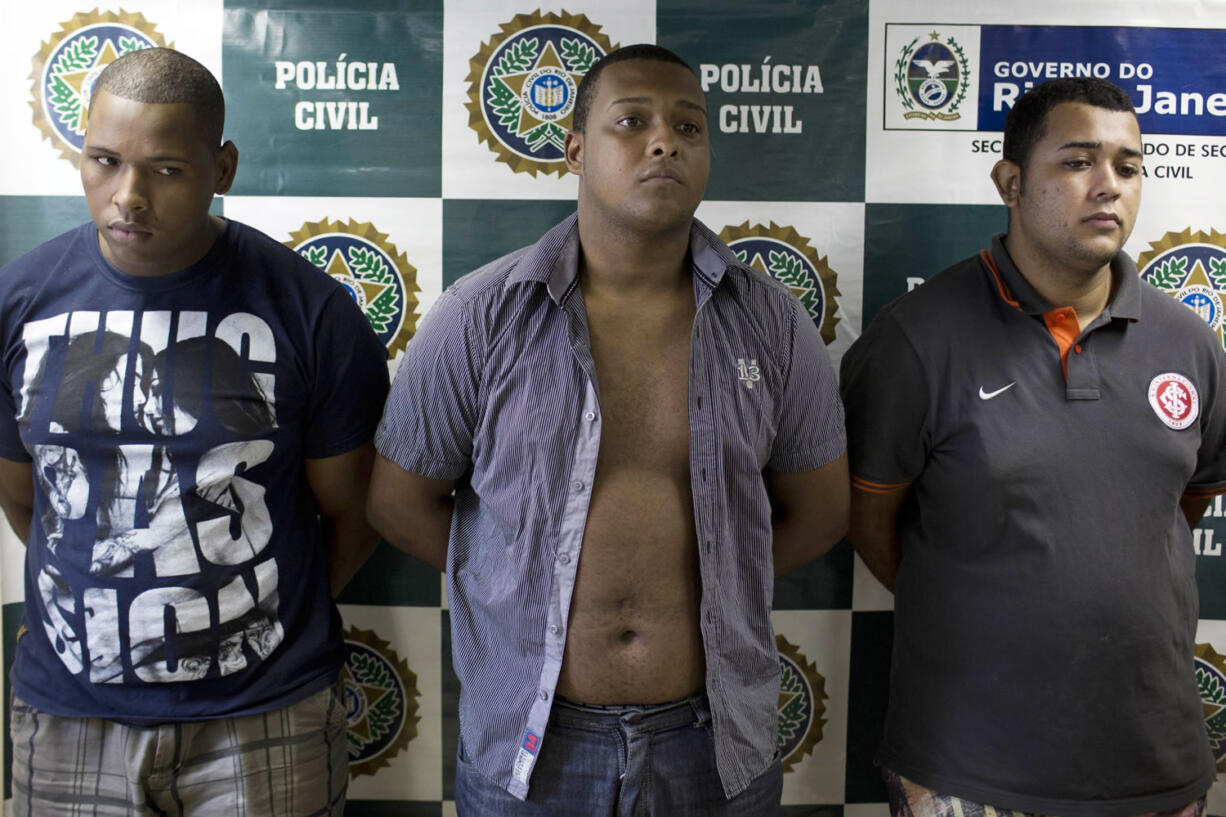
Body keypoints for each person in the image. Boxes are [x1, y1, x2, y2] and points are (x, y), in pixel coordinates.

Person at [368, 43, 848, 814]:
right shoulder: (481, 316)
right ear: (577, 151)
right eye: (633, 121)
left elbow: (821, 510)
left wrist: (724, 576)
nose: (665, 141)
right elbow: (397, 502)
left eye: (689, 127)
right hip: (532, 744)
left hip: (713, 741)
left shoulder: (771, 323)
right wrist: (517, 578)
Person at [0, 47, 390, 816]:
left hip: (267, 713)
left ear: (224, 167)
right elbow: (26, 502)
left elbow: (352, 515)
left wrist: (249, 618)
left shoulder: (311, 312)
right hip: (71, 712)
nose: (128, 197)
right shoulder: (21, 302)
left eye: (167, 170)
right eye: (104, 160)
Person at [841, 76, 1226, 817]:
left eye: (1127, 165)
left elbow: (1178, 510)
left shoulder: (1190, 342)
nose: (1108, 186)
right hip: (967, 768)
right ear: (1010, 182)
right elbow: (868, 524)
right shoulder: (917, 339)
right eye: (1078, 162)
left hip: (1155, 764)